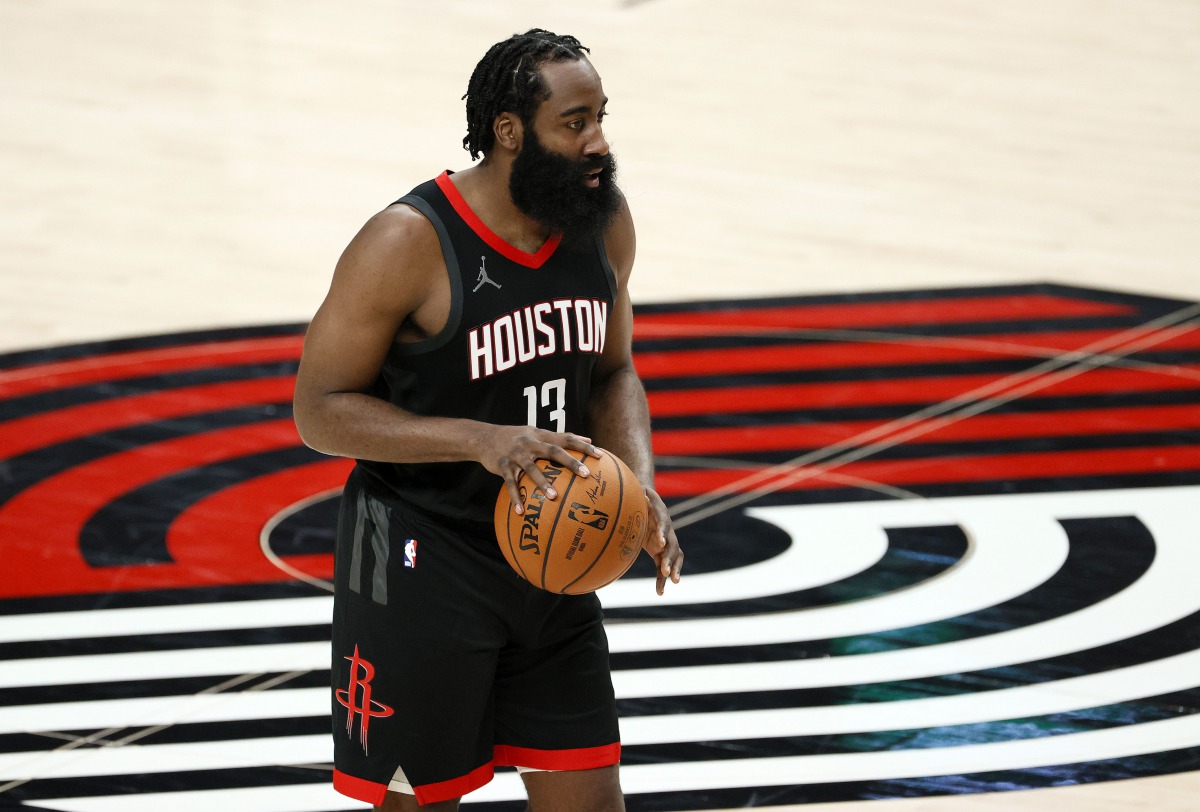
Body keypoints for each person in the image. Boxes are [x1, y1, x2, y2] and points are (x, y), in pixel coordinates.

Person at [293, 29, 684, 811]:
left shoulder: (602, 224)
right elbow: (319, 411)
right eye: (574, 122)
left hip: (553, 547)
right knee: (419, 802)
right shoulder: (406, 241)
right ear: (510, 131)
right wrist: (479, 441)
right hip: (423, 556)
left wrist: (634, 485)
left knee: (592, 799)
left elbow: (613, 370)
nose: (598, 141)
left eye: (601, 116)